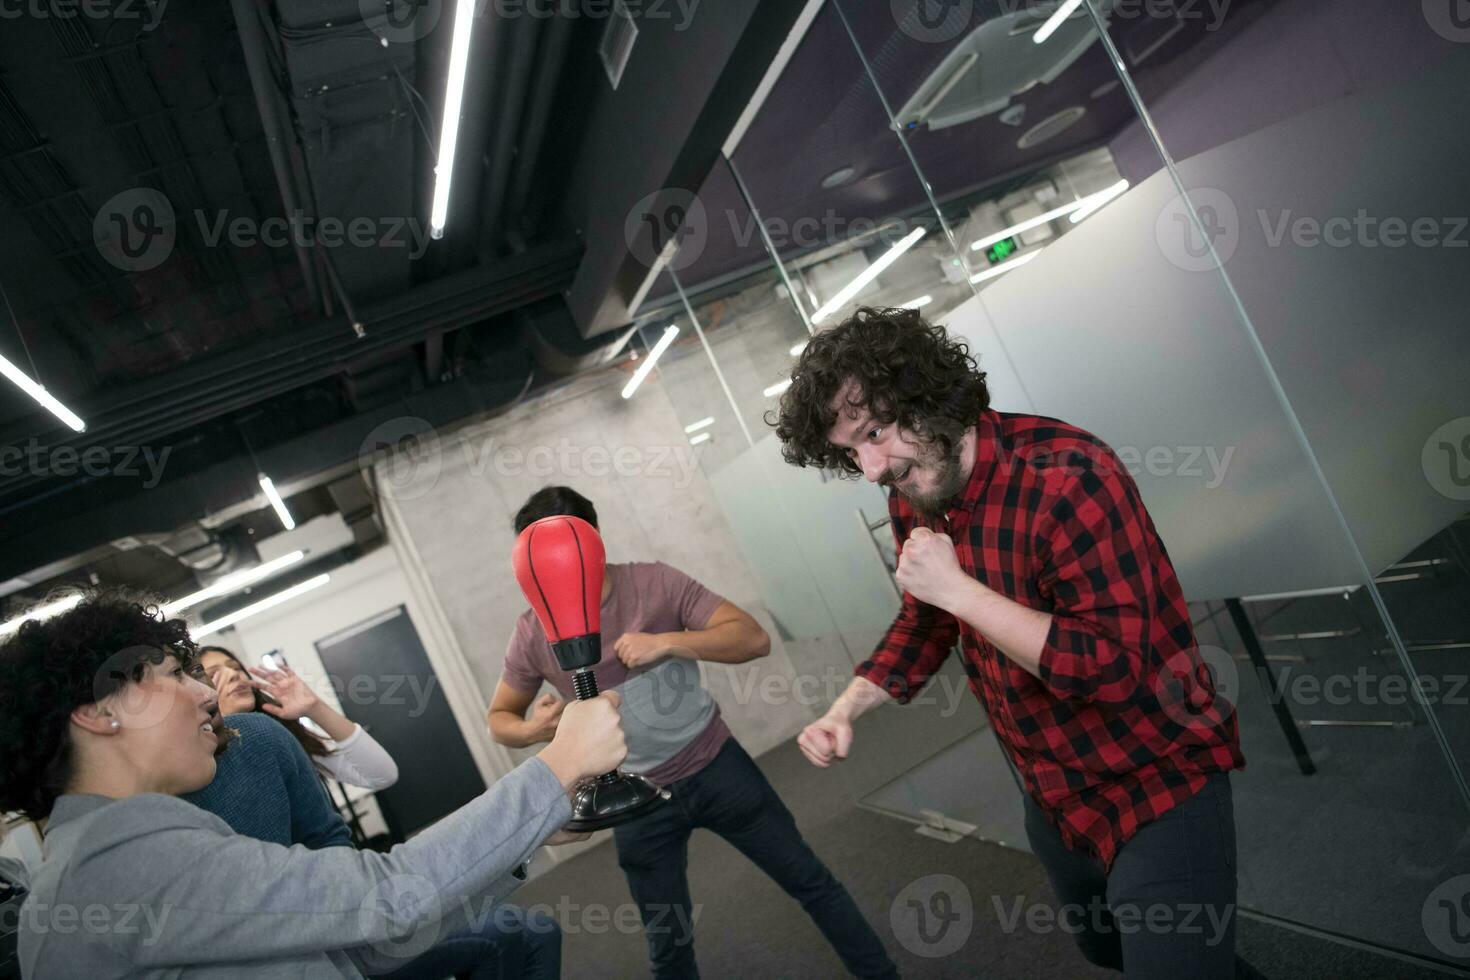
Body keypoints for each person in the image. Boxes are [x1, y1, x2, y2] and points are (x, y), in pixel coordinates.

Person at [772, 307, 1258, 980]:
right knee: (1110, 949)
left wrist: (960, 590)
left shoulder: (1069, 475)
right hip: (1052, 791)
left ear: (928, 394)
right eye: (851, 451)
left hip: (1156, 779)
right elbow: (926, 619)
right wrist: (845, 709)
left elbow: (1110, 667)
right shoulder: (916, 487)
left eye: (875, 433)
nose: (872, 468)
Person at [0, 589, 625, 979]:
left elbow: (356, 947)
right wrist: (557, 767)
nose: (203, 694)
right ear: (98, 710)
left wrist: (522, 833)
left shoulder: (143, 843)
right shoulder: (116, 869)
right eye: (170, 674)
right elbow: (384, 895)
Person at [486, 486, 899, 980]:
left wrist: (668, 642)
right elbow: (500, 719)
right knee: (669, 946)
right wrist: (534, 728)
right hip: (635, 802)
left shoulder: (655, 583)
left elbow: (752, 638)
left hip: (716, 765)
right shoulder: (534, 632)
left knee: (812, 882)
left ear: (592, 544)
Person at [199, 645, 399, 792]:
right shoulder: (202, 759)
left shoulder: (281, 735)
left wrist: (315, 708)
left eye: (235, 667)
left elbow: (383, 776)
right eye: (215, 674)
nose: (233, 675)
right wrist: (222, 719)